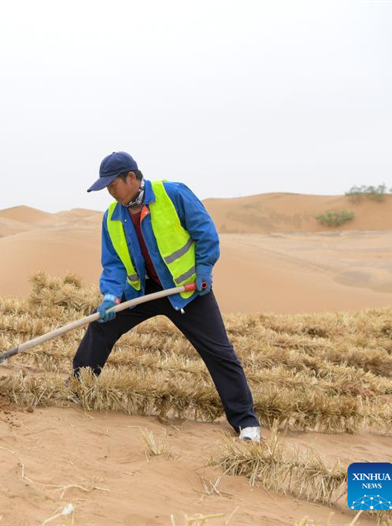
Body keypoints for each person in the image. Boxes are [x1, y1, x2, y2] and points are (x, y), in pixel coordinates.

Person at [73, 152, 261, 442]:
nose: (110, 192)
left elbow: (205, 234)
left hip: (186, 290)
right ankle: (77, 388)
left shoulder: (173, 194)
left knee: (219, 352)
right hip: (142, 291)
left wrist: (204, 270)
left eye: (113, 185)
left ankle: (246, 422)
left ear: (132, 178)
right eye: (106, 188)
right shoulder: (112, 216)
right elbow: (113, 264)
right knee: (100, 326)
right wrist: (111, 296)